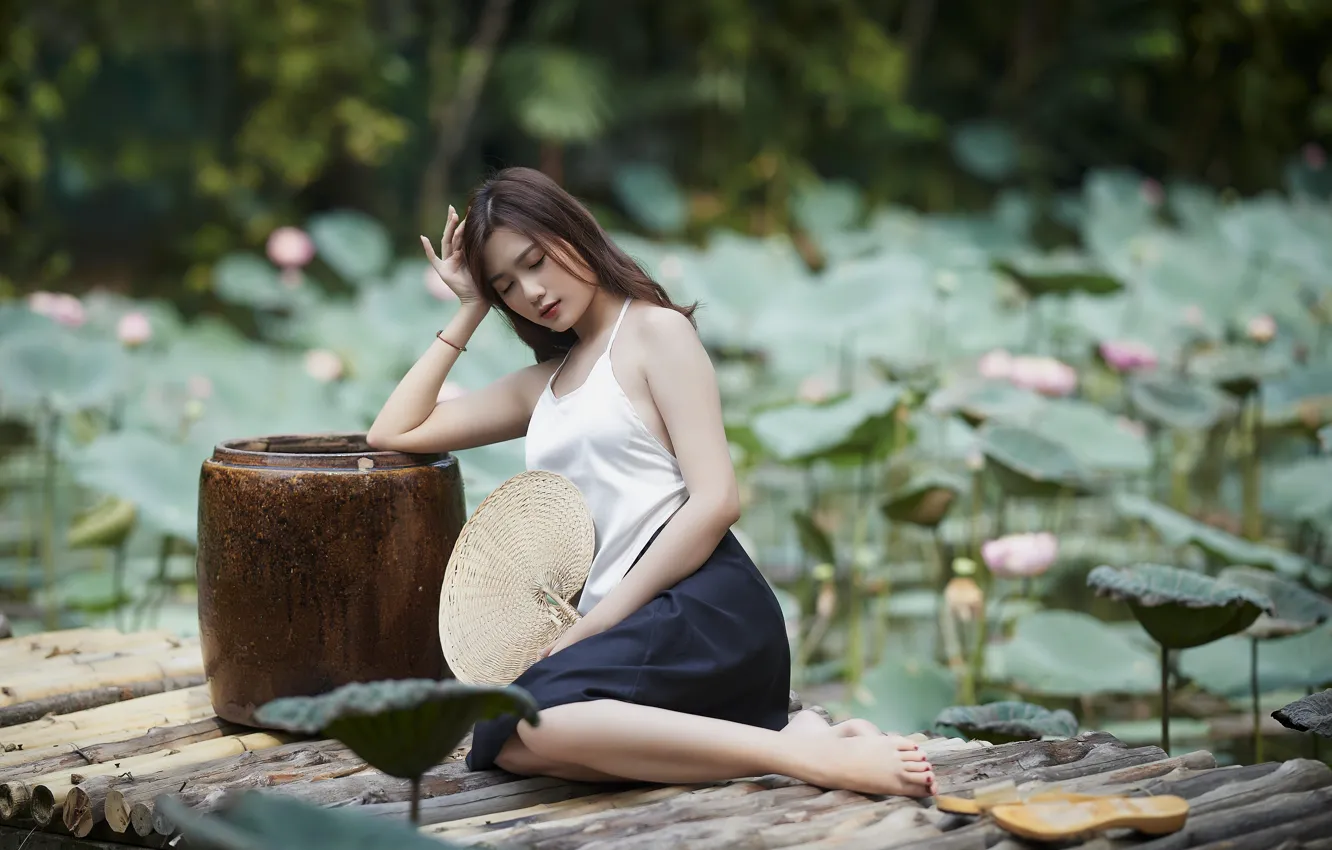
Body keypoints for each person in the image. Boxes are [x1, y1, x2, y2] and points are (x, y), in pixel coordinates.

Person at [366, 167, 937, 797]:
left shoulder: (654, 332)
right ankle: (795, 740)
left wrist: (594, 625)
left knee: (528, 724)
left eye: (535, 261)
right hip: (635, 624)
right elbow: (395, 430)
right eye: (507, 284)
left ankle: (812, 760)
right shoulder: (547, 383)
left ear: (572, 232)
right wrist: (470, 308)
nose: (531, 291)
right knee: (511, 739)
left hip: (701, 602)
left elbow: (717, 499)